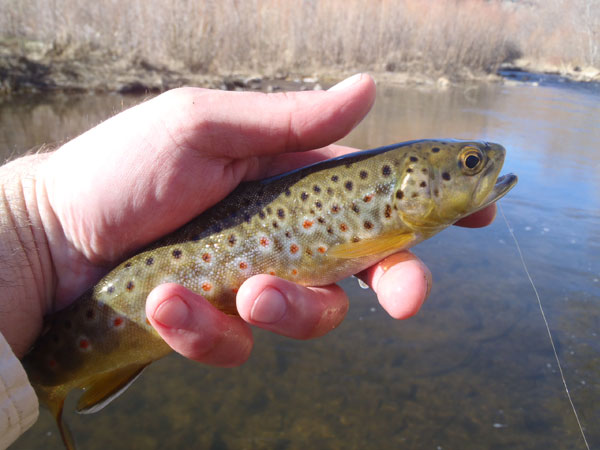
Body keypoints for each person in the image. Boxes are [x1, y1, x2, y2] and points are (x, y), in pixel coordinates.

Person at [0, 73, 495, 447]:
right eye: (471, 163)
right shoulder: (397, 220)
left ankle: (50, 375)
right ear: (410, 183)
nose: (485, 163)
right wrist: (36, 228)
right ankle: (48, 377)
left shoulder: (400, 218)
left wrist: (36, 232)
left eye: (471, 162)